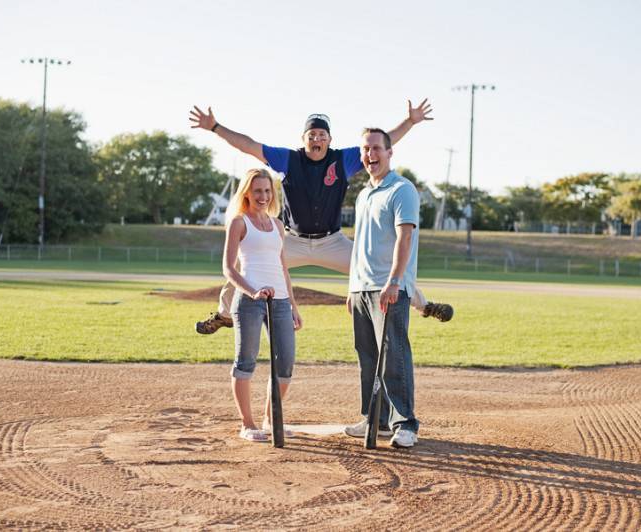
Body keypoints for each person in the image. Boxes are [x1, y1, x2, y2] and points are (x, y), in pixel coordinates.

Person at [188, 102, 454, 335]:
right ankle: (224, 315)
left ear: (329, 139)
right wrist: (215, 127)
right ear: (304, 138)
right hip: (292, 241)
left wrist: (409, 121)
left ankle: (424, 305)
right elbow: (248, 145)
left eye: (322, 134)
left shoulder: (343, 160)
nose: (317, 138)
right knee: (244, 267)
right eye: (312, 134)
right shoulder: (288, 159)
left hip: (332, 242)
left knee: (381, 268)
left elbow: (383, 142)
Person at [344, 128, 420, 449]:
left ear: (390, 153)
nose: (370, 154)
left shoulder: (401, 190)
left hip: (388, 288)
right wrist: (352, 287)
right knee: (367, 356)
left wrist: (394, 282)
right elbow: (361, 244)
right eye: (365, 149)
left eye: (376, 148)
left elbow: (405, 238)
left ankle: (405, 423)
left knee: (393, 355)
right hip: (362, 288)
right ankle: (374, 418)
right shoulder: (364, 194)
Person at [222, 168, 302, 442]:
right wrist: (254, 291)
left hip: (279, 302)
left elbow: (283, 268)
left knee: (286, 364)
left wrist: (293, 304)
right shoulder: (239, 223)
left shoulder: (278, 225)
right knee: (246, 362)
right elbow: (229, 269)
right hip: (249, 302)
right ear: (247, 192)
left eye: (267, 191)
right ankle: (247, 424)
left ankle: (271, 419)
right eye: (257, 191)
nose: (263, 196)